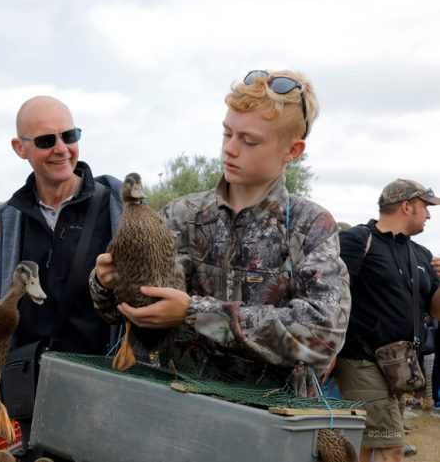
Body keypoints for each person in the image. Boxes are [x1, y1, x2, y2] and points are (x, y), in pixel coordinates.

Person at [91, 69, 350, 396]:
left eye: (249, 140)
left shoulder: (310, 225)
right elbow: (115, 312)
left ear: (292, 151)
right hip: (173, 403)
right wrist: (106, 284)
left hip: (269, 420)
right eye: (227, 134)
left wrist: (194, 313)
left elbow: (321, 336)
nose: (230, 149)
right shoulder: (183, 214)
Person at [0, 95, 124, 461]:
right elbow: (6, 297)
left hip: (102, 381)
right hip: (34, 384)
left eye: (69, 134)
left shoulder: (113, 204)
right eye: (47, 140)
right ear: (20, 148)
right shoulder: (9, 218)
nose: (62, 149)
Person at [336, 179, 440, 462]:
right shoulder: (357, 241)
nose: (429, 215)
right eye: (425, 207)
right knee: (390, 446)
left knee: (365, 446)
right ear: (407, 206)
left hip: (401, 368)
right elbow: (332, 298)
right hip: (361, 360)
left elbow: (436, 311)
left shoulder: (421, 254)